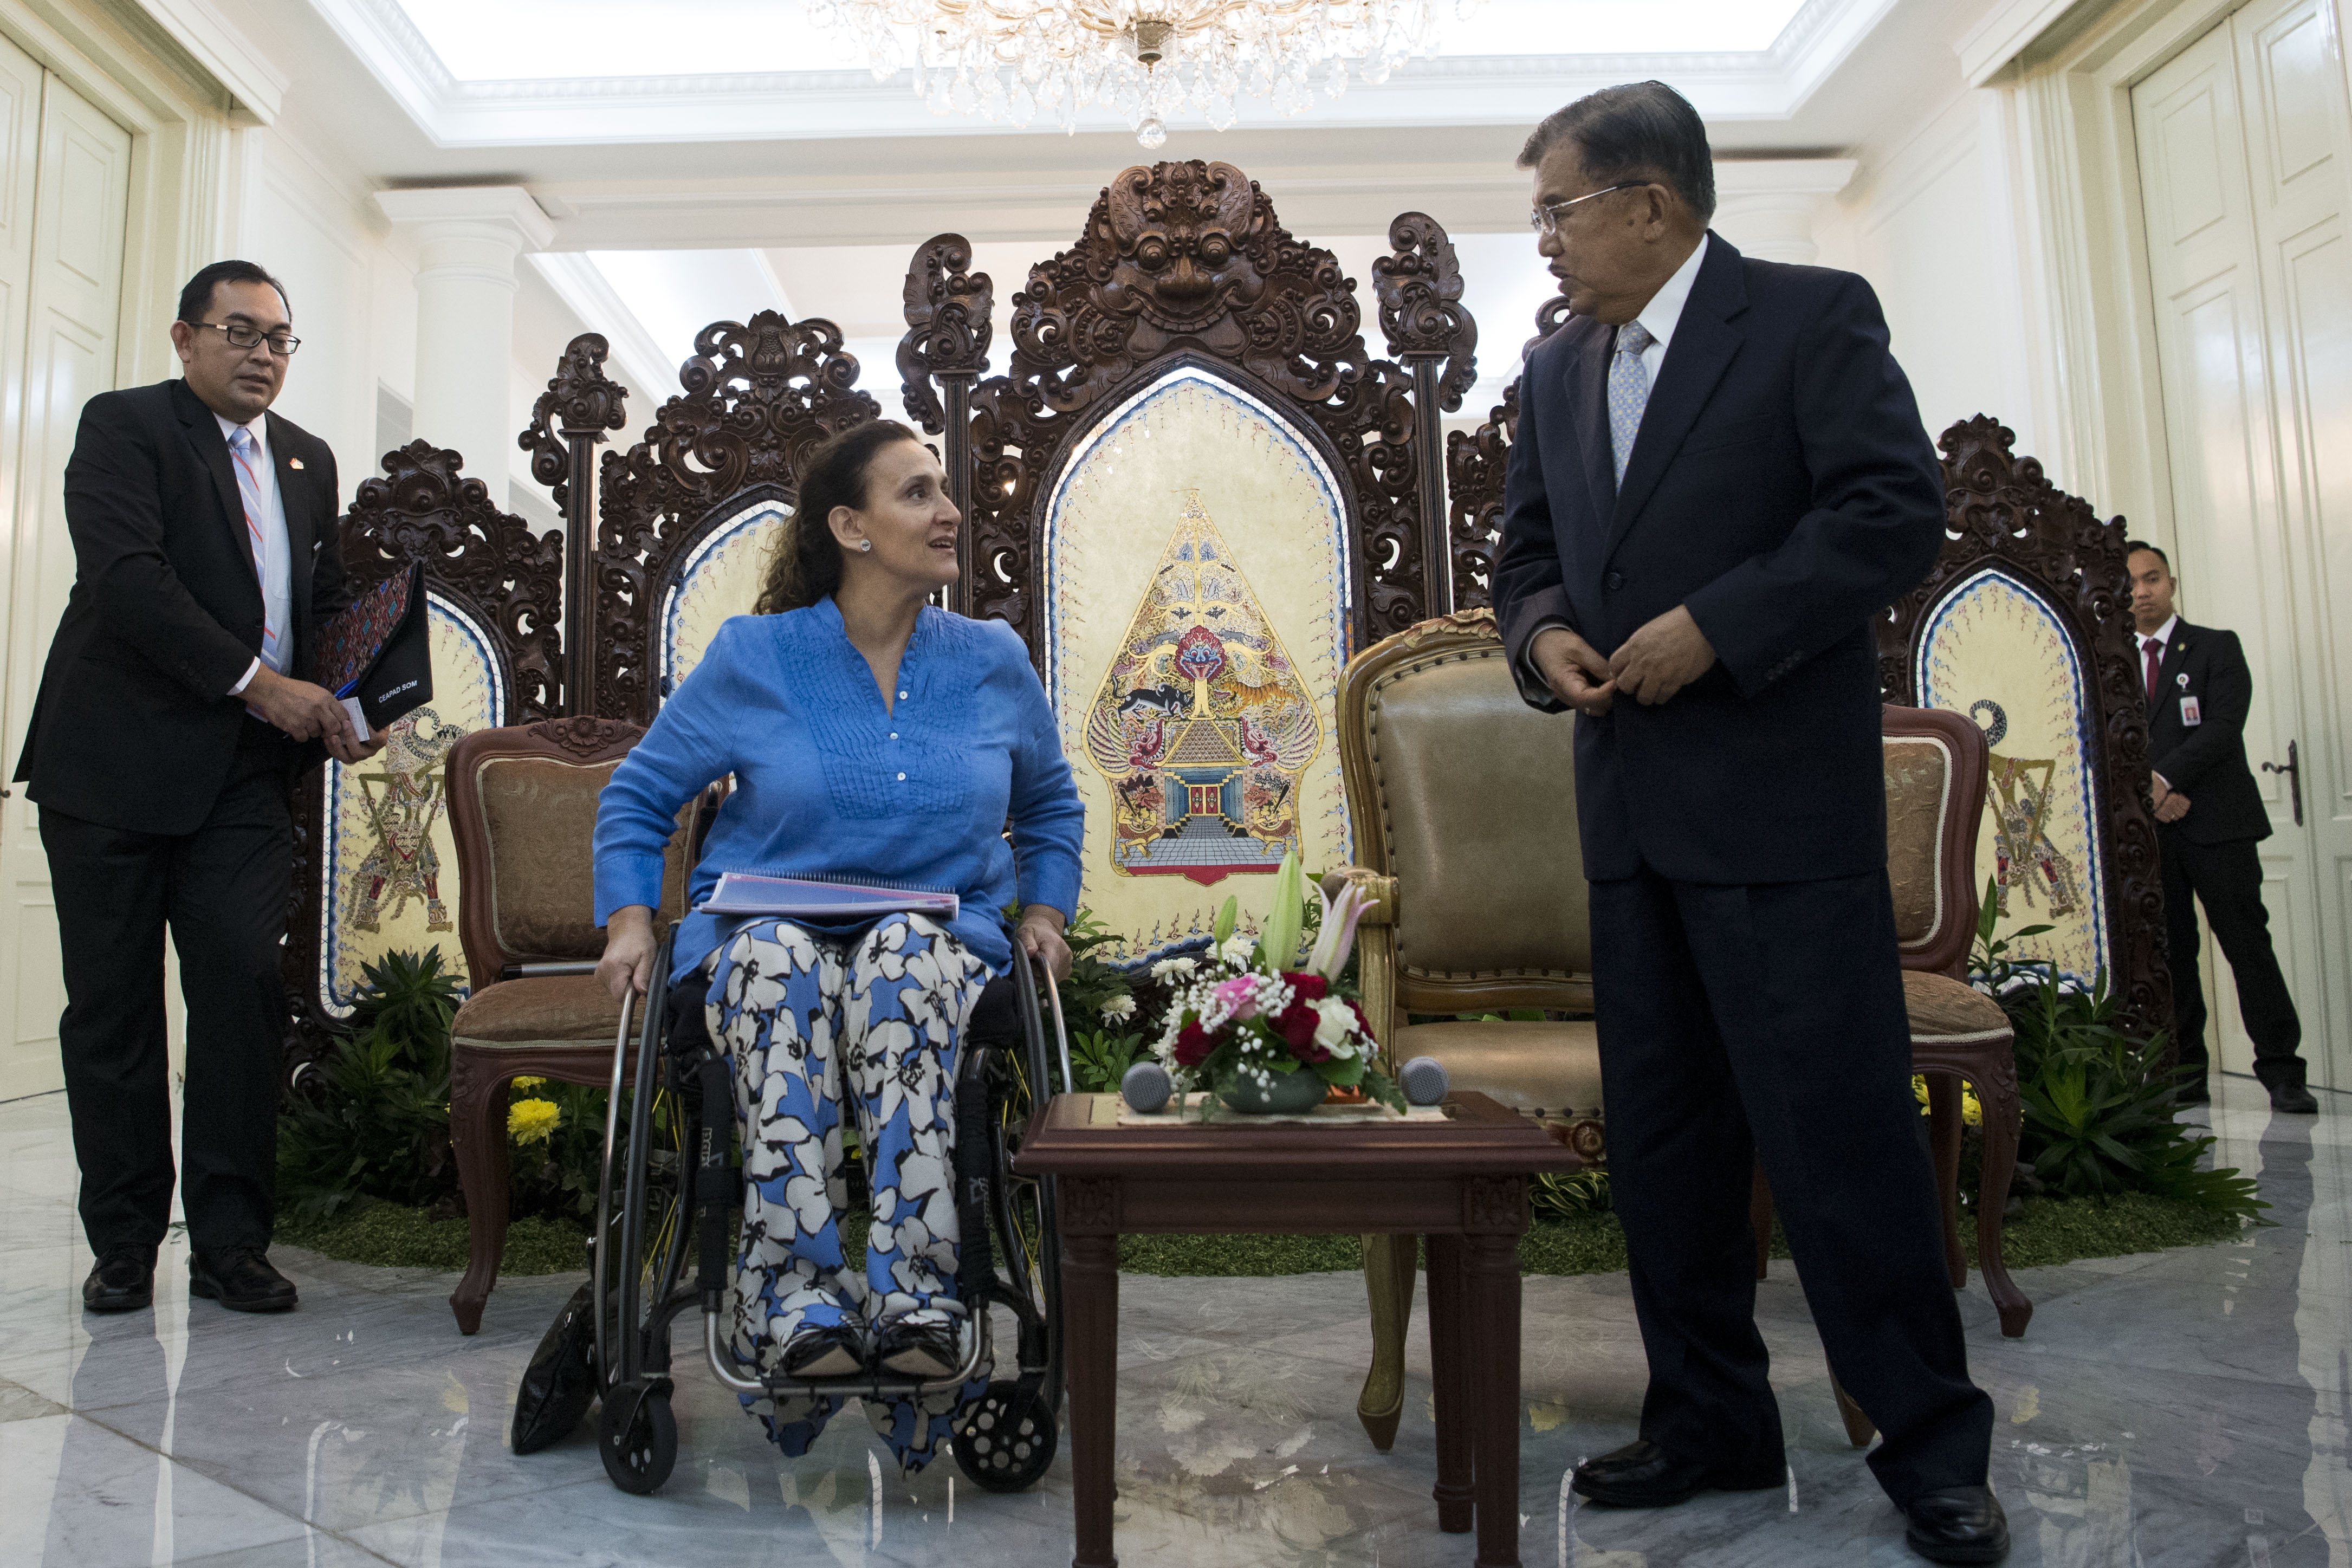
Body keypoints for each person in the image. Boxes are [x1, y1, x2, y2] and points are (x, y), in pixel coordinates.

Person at [1491, 83, 2004, 1564]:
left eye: (1559, 211)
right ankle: (1708, 1416)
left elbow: (1889, 513)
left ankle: (1931, 1444)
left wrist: (1717, 625)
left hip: (1777, 818)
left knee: (1838, 1142)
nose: (1545, 242)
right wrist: (1540, 638)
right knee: (1668, 1150)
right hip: (1629, 819)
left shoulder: (1805, 317)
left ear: (1649, 204)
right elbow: (1529, 554)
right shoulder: (1552, 370)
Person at [593, 418, 1084, 1472]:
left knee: (901, 956)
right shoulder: (756, 656)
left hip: (937, 936)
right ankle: (796, 1305)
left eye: (944, 490)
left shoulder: (991, 660)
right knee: (775, 963)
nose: (949, 511)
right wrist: (630, 919)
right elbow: (638, 797)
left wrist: (1045, 911)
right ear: (851, 527)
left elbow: (1049, 806)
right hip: (764, 929)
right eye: (918, 493)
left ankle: (919, 1309)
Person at [16, 260, 378, 1317]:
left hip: (242, 780)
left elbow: (324, 600)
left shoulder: (307, 458)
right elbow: (130, 581)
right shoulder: (125, 427)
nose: (263, 353)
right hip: (112, 767)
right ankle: (124, 1239)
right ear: (186, 338)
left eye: (279, 337)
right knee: (113, 1010)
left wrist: (357, 693)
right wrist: (263, 684)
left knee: (240, 988)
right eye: (240, 331)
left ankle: (231, 1240)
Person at [2126, 543, 2316, 1114]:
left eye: (2151, 578)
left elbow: (2223, 727)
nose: (2141, 591)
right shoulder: (2110, 660)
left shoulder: (2215, 647)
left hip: (2219, 825)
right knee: (2171, 954)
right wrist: (2151, 797)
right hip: (2152, 833)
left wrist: (2163, 780)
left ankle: (2283, 1071)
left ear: (2172, 582)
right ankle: (2186, 1075)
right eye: (2130, 583)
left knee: (2247, 947)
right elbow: (2101, 736)